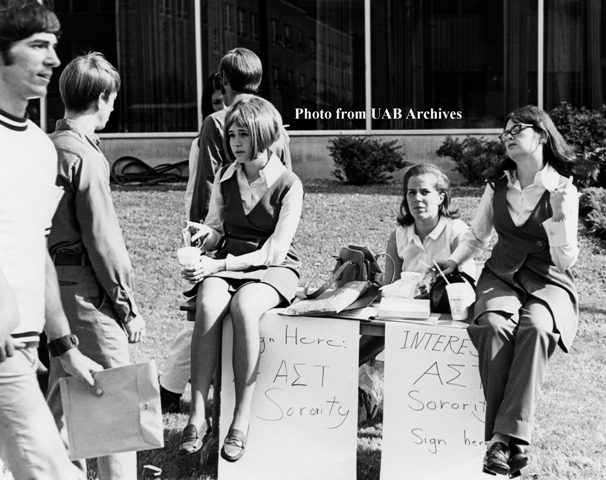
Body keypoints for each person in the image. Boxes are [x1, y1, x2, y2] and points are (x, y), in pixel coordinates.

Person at [436, 105, 579, 477]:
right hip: (501, 275)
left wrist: (560, 217)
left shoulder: (564, 189)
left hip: (549, 279)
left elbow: (566, 262)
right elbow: (478, 235)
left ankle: (501, 441)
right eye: (506, 132)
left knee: (537, 329)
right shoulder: (497, 183)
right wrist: (454, 261)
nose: (509, 137)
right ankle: (510, 441)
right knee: (493, 327)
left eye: (518, 129)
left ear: (542, 135)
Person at [0, 2, 103, 479]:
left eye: (54, 47)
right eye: (38, 46)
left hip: (19, 350)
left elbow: (35, 250)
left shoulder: (41, 149)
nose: (53, 60)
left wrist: (64, 346)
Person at [178, 96, 304, 463]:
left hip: (272, 270)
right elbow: (219, 230)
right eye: (232, 134)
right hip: (228, 262)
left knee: (245, 306)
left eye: (243, 134)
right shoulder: (225, 174)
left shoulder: (289, 183)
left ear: (263, 134)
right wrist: (206, 236)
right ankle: (197, 416)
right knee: (208, 302)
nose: (235, 141)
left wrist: (218, 266)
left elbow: (274, 253)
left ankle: (241, 418)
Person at [46, 52, 145, 480]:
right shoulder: (85, 157)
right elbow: (103, 242)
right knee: (117, 413)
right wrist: (126, 305)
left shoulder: (45, 146)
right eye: (112, 99)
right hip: (86, 291)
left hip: (47, 292)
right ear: (103, 98)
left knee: (59, 416)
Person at [359, 163, 477, 364]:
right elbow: (389, 287)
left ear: (441, 197)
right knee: (360, 348)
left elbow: (467, 288)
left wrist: (433, 290)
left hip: (444, 315)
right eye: (411, 193)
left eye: (425, 192)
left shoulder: (456, 231)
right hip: (405, 312)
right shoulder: (398, 236)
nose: (417, 199)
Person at [159, 71, 225, 414]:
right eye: (216, 102)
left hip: (227, 241)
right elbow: (200, 190)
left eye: (226, 99)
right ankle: (169, 391)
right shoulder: (207, 137)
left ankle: (169, 390)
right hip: (205, 237)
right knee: (198, 319)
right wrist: (198, 238)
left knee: (202, 320)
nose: (224, 107)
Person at [189, 47, 292, 224]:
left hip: (231, 228)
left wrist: (198, 228)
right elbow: (287, 180)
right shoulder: (274, 118)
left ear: (224, 78)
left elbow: (208, 181)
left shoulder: (216, 121)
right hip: (271, 225)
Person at [184, 71, 225, 216]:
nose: (223, 108)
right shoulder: (199, 144)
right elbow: (193, 190)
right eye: (217, 103)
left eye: (227, 102)